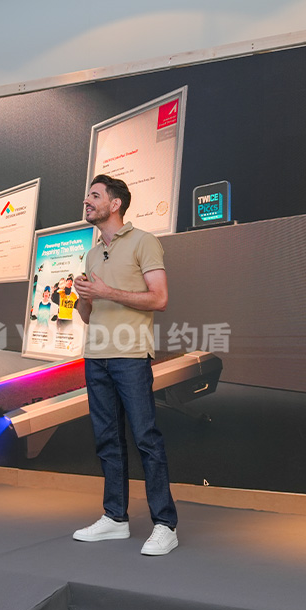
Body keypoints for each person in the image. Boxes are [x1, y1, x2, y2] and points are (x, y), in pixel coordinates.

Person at [71, 174, 178, 556]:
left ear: (115, 204)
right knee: (107, 439)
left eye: (94, 196)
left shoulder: (144, 241)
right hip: (95, 357)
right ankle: (115, 517)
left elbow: (159, 299)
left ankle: (165, 524)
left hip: (130, 356)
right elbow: (89, 315)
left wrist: (106, 291)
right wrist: (84, 298)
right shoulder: (92, 253)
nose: (87, 201)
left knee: (146, 438)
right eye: (88, 196)